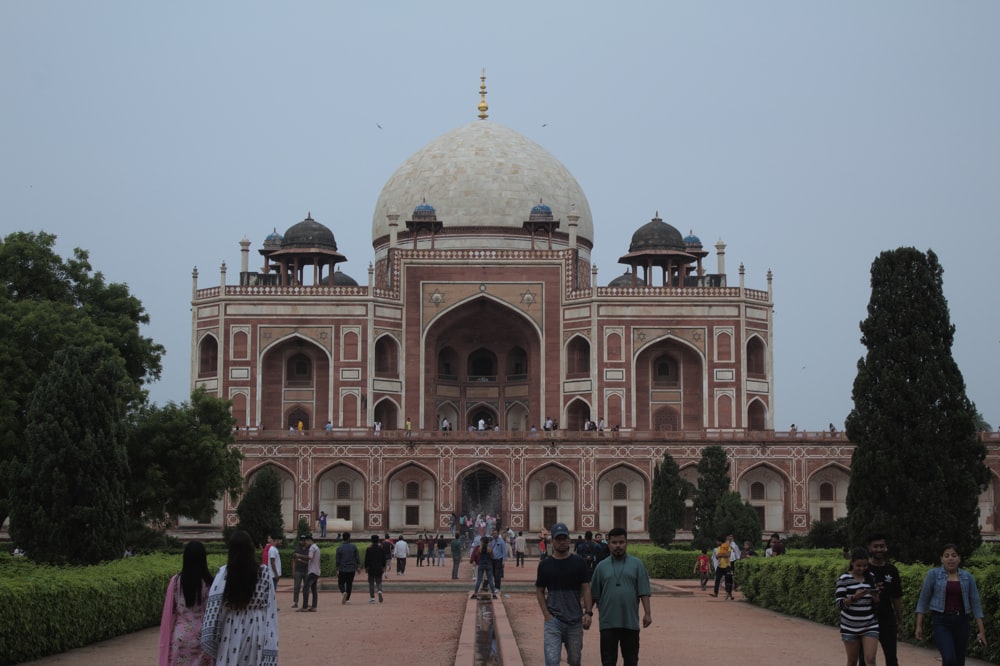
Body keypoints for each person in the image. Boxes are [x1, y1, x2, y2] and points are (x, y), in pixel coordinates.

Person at [201, 530, 278, 666]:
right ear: (251, 549)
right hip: (256, 626)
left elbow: (215, 606)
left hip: (231, 627)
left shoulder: (224, 574)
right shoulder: (263, 572)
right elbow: (270, 606)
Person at [915, 543, 987, 666]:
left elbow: (976, 604)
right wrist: (918, 626)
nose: (950, 558)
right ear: (941, 559)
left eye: (954, 555)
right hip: (941, 621)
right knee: (949, 659)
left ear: (959, 559)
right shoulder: (933, 575)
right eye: (946, 556)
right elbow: (923, 600)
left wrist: (981, 631)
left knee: (959, 661)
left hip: (961, 622)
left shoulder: (967, 578)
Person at [589, 528, 652, 666]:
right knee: (608, 661)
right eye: (614, 542)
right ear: (609, 544)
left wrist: (647, 613)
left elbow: (644, 591)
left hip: (630, 623)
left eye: (621, 542)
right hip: (607, 623)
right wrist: (588, 613)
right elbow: (593, 594)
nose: (618, 545)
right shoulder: (601, 567)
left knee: (631, 661)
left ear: (626, 543)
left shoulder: (637, 565)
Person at [535, 522, 593, 666]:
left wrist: (588, 612)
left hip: (575, 620)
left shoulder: (579, 563)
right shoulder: (545, 565)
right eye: (558, 539)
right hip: (554, 620)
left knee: (574, 660)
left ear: (569, 540)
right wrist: (546, 615)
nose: (561, 542)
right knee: (552, 661)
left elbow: (586, 588)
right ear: (552, 541)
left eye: (564, 538)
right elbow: (539, 590)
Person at [159, 541, 214, 666]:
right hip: (203, 636)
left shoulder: (176, 581)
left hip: (180, 636)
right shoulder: (210, 582)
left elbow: (168, 612)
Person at [861, 533, 904, 666]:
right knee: (865, 659)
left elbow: (896, 597)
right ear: (869, 548)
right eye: (875, 546)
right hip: (866, 620)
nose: (879, 549)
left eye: (882, 546)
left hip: (887, 620)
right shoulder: (862, 569)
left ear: (886, 547)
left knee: (892, 659)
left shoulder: (891, 570)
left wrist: (900, 622)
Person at [836, 546, 879, 666]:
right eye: (858, 566)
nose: (862, 569)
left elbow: (874, 603)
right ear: (852, 563)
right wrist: (854, 597)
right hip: (850, 626)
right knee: (852, 661)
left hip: (869, 624)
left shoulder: (870, 576)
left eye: (865, 565)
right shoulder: (844, 579)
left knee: (870, 659)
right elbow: (839, 604)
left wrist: (875, 598)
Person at [335, 532, 361, 605]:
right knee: (349, 584)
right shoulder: (353, 547)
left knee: (341, 583)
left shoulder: (339, 548)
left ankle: (343, 592)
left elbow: (337, 560)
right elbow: (357, 558)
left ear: (343, 538)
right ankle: (347, 599)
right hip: (351, 569)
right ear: (349, 538)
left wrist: (337, 569)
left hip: (342, 569)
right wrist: (358, 567)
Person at [297, 534, 320, 612]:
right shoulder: (317, 547)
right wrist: (300, 560)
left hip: (312, 572)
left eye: (306, 541)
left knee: (306, 588)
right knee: (314, 589)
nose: (305, 543)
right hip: (316, 571)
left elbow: (309, 557)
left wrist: (299, 555)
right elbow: (310, 561)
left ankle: (305, 606)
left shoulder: (312, 548)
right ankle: (314, 606)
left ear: (309, 540)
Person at [470, 533, 498, 598]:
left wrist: (481, 546)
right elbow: (493, 556)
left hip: (481, 564)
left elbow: (477, 555)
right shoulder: (490, 549)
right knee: (490, 580)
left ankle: (475, 593)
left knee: (479, 580)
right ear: (488, 542)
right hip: (488, 564)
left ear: (482, 542)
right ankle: (494, 594)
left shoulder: (480, 548)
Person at [364, 534, 387, 603]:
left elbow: (366, 560)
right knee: (379, 582)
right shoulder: (381, 549)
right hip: (379, 568)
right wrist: (383, 567)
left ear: (371, 541)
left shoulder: (369, 549)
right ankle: (379, 591)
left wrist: (366, 567)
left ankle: (372, 599)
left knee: (371, 583)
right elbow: (384, 559)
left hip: (371, 568)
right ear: (378, 540)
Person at [291, 534, 309, 609]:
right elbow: (294, 561)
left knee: (306, 588)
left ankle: (306, 602)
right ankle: (295, 602)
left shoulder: (309, 550)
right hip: (298, 570)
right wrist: (293, 571)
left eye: (304, 540)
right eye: (301, 540)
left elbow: (309, 560)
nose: (303, 541)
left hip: (306, 570)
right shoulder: (297, 549)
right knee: (296, 587)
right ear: (299, 541)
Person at [266, 536, 282, 608]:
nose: (280, 542)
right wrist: (276, 574)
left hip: (274, 574)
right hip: (273, 574)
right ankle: (271, 606)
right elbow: (272, 562)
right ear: (276, 540)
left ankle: (272, 606)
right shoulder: (272, 549)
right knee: (272, 592)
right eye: (280, 541)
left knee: (273, 591)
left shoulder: (274, 549)